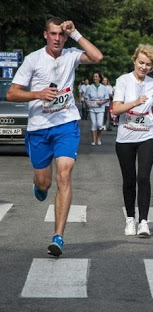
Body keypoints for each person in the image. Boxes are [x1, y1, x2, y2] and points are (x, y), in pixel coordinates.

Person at [6, 17, 103, 256]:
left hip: (65, 124)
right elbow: (12, 93)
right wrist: (38, 94)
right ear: (45, 35)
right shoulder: (33, 60)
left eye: (62, 34)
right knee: (45, 183)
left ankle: (58, 236)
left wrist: (76, 32)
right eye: (53, 34)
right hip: (39, 128)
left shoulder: (71, 54)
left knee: (65, 174)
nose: (58, 38)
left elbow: (97, 57)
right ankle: (39, 186)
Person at [112, 44, 153, 238]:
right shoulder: (123, 81)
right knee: (129, 180)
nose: (143, 67)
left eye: (148, 65)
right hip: (125, 136)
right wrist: (134, 103)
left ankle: (144, 221)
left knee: (143, 177)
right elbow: (116, 109)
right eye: (141, 62)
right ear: (134, 60)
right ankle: (130, 219)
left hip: (147, 135)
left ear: (152, 67)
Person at [85, 72, 110, 145]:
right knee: (93, 123)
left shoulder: (104, 88)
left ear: (99, 78)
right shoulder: (89, 87)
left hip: (100, 108)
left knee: (99, 124)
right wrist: (87, 104)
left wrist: (102, 102)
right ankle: (93, 140)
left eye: (96, 76)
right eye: (94, 76)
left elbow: (107, 98)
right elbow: (86, 98)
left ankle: (98, 138)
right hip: (92, 108)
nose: (95, 78)